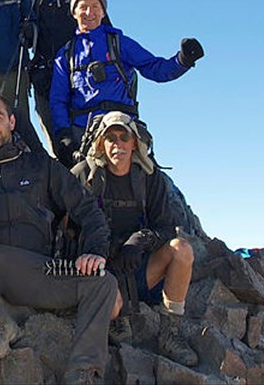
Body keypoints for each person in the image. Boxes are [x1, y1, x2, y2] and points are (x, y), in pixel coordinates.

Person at [0, 92, 117, 385]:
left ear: (12, 121)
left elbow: (89, 211)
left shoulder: (44, 166)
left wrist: (94, 251)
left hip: (39, 272)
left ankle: (83, 373)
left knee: (103, 283)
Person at [74, 112, 198, 366]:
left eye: (123, 137)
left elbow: (165, 228)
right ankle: (114, 318)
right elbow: (68, 227)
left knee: (181, 249)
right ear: (100, 143)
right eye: (110, 138)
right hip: (101, 271)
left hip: (140, 270)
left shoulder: (150, 179)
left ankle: (170, 332)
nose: (117, 144)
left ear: (134, 143)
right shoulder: (84, 175)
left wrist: (138, 242)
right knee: (110, 308)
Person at [49, 0, 203, 165]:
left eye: (95, 7)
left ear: (103, 12)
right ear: (74, 13)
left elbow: (154, 68)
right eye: (83, 7)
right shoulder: (66, 54)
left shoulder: (120, 43)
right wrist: (64, 135)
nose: (89, 12)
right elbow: (58, 99)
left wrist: (182, 60)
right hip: (84, 132)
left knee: (148, 175)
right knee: (79, 182)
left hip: (122, 127)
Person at [29, 0, 95, 149]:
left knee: (85, 143)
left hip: (80, 80)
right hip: (45, 80)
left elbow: (103, 33)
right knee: (58, 146)